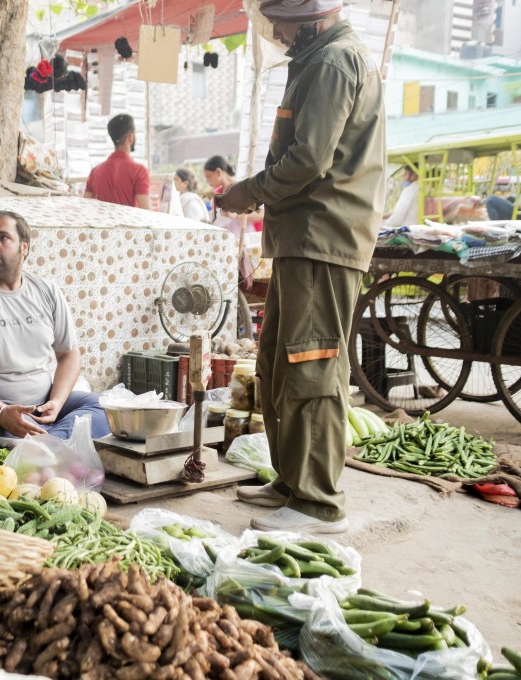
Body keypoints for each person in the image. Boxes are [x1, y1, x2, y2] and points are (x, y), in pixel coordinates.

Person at [216, 0, 385, 534]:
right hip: (301, 238)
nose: (280, 36)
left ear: (310, 18)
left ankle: (318, 504)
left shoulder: (335, 62)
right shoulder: (316, 58)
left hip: (324, 239)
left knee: (312, 367)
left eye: (283, 26)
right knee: (279, 363)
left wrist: (248, 192)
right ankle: (291, 481)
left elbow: (310, 160)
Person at [0, 210, 110, 444]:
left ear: (24, 247)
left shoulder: (46, 291)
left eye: (3, 237)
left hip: (40, 405)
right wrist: (0, 413)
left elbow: (69, 354)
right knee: (9, 436)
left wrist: (57, 403)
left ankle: (47, 441)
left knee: (106, 410)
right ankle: (57, 442)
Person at [84, 113, 151, 209]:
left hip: (102, 223)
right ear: (131, 137)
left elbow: (85, 207)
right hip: (129, 223)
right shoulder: (139, 171)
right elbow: (147, 211)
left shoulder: (95, 171)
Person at [204, 155, 264, 237]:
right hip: (230, 240)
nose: (207, 181)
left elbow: (261, 214)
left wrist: (237, 215)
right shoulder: (217, 195)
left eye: (208, 176)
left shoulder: (243, 188)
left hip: (250, 237)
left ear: (218, 172)